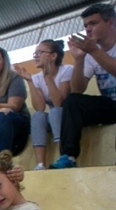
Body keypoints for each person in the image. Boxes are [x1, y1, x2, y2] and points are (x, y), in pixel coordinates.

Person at [49, 3, 116, 168]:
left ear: (111, 22)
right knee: (73, 100)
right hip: (113, 107)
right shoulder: (91, 51)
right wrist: (79, 59)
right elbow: (78, 89)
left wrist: (94, 52)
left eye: (93, 23)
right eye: (86, 25)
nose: (88, 29)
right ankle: (68, 156)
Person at [14, 40, 73, 170]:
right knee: (37, 116)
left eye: (40, 52)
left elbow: (59, 103)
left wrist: (48, 77)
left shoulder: (67, 70)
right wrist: (30, 81)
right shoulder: (36, 77)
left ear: (53, 56)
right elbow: (39, 107)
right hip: (53, 117)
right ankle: (41, 164)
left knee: (55, 111)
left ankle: (64, 157)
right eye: (35, 53)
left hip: (68, 116)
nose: (35, 56)